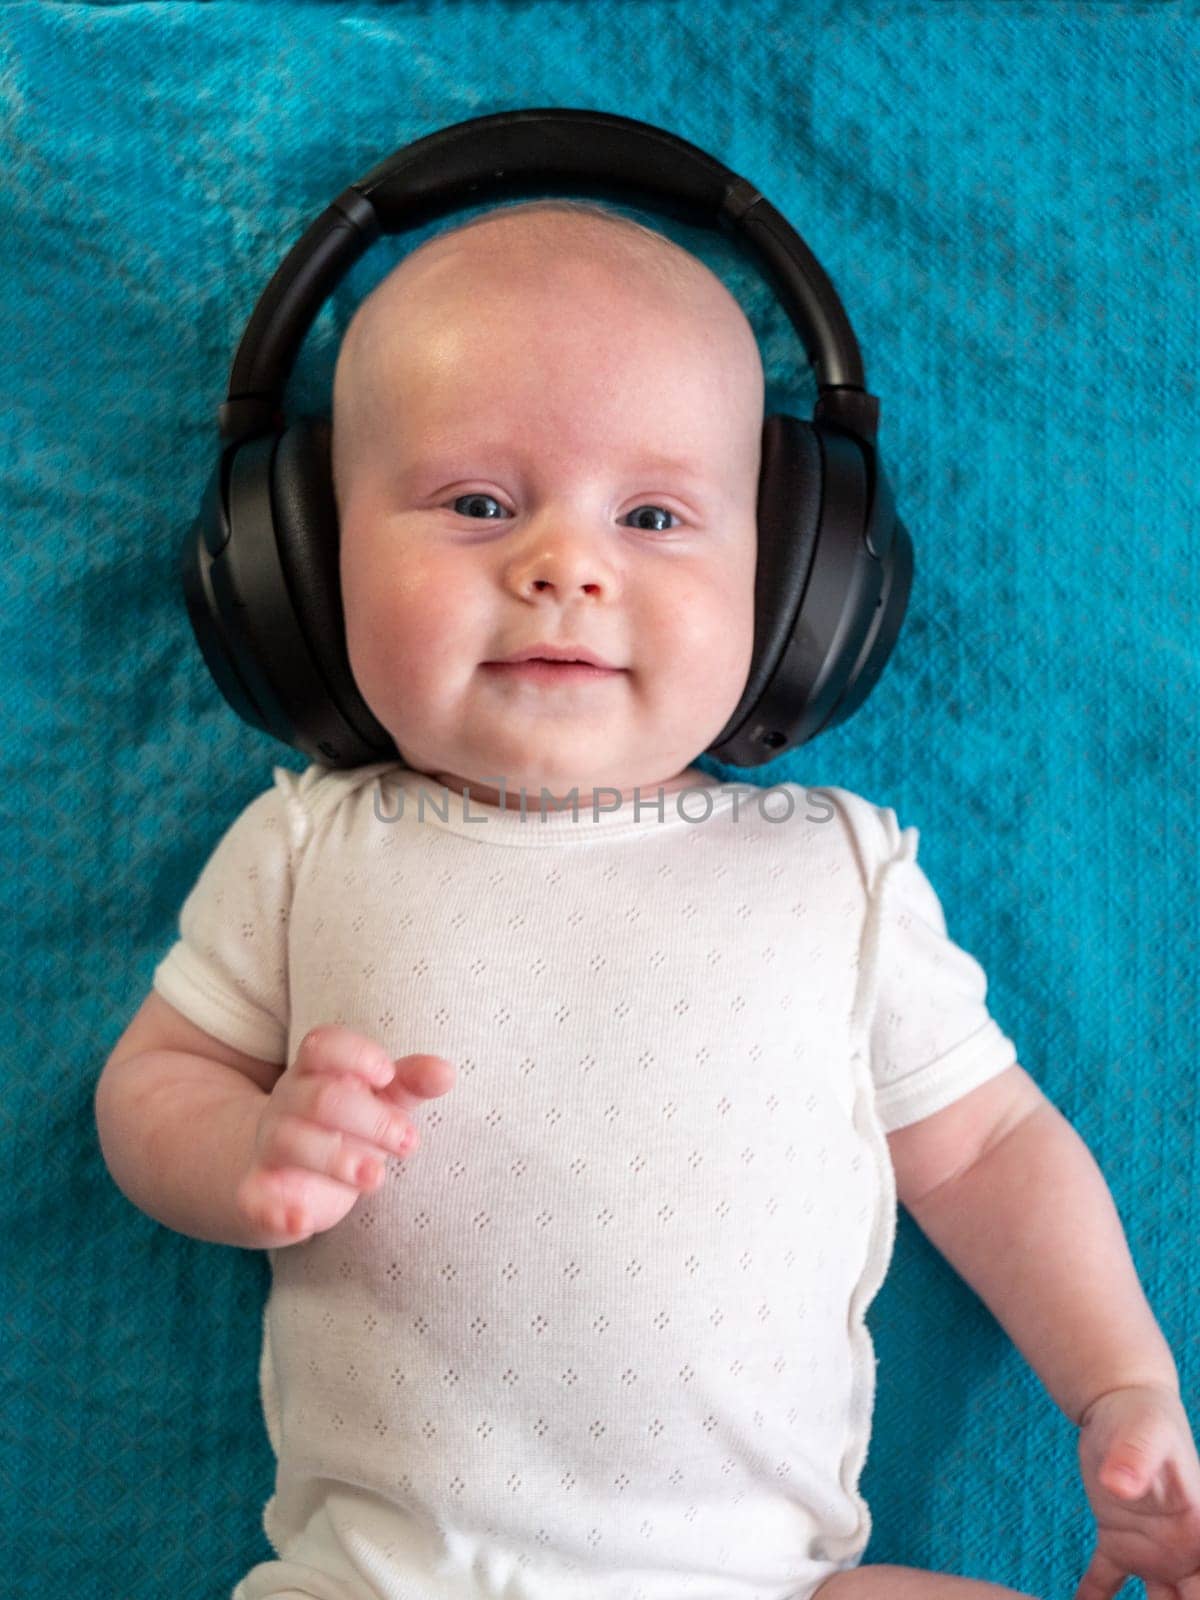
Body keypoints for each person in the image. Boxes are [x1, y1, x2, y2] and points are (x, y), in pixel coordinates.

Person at [94, 199, 1200, 1600]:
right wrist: (245, 1148)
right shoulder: (314, 845)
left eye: (656, 515)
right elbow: (158, 1081)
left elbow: (985, 1146)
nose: (565, 565)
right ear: (301, 571)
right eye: (477, 504)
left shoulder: (833, 870)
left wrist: (1120, 1384)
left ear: (799, 584)